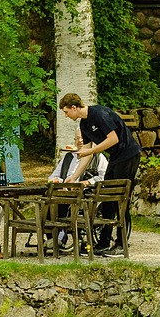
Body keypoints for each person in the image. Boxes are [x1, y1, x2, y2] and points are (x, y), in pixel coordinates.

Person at [59, 93, 141, 257]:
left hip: (129, 154)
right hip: (115, 157)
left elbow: (113, 139)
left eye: (66, 112)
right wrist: (74, 177)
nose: (66, 116)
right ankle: (104, 243)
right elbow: (86, 155)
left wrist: (91, 150)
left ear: (74, 107)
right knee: (107, 198)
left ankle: (121, 244)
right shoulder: (84, 124)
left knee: (120, 198)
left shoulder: (99, 114)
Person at [48, 140, 108, 253]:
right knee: (48, 201)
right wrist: (60, 182)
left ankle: (60, 238)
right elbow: (52, 176)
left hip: (84, 194)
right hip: (64, 191)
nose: (80, 141)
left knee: (64, 202)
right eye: (77, 138)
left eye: (83, 139)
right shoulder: (68, 157)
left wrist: (88, 182)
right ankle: (51, 238)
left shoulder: (98, 157)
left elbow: (104, 177)